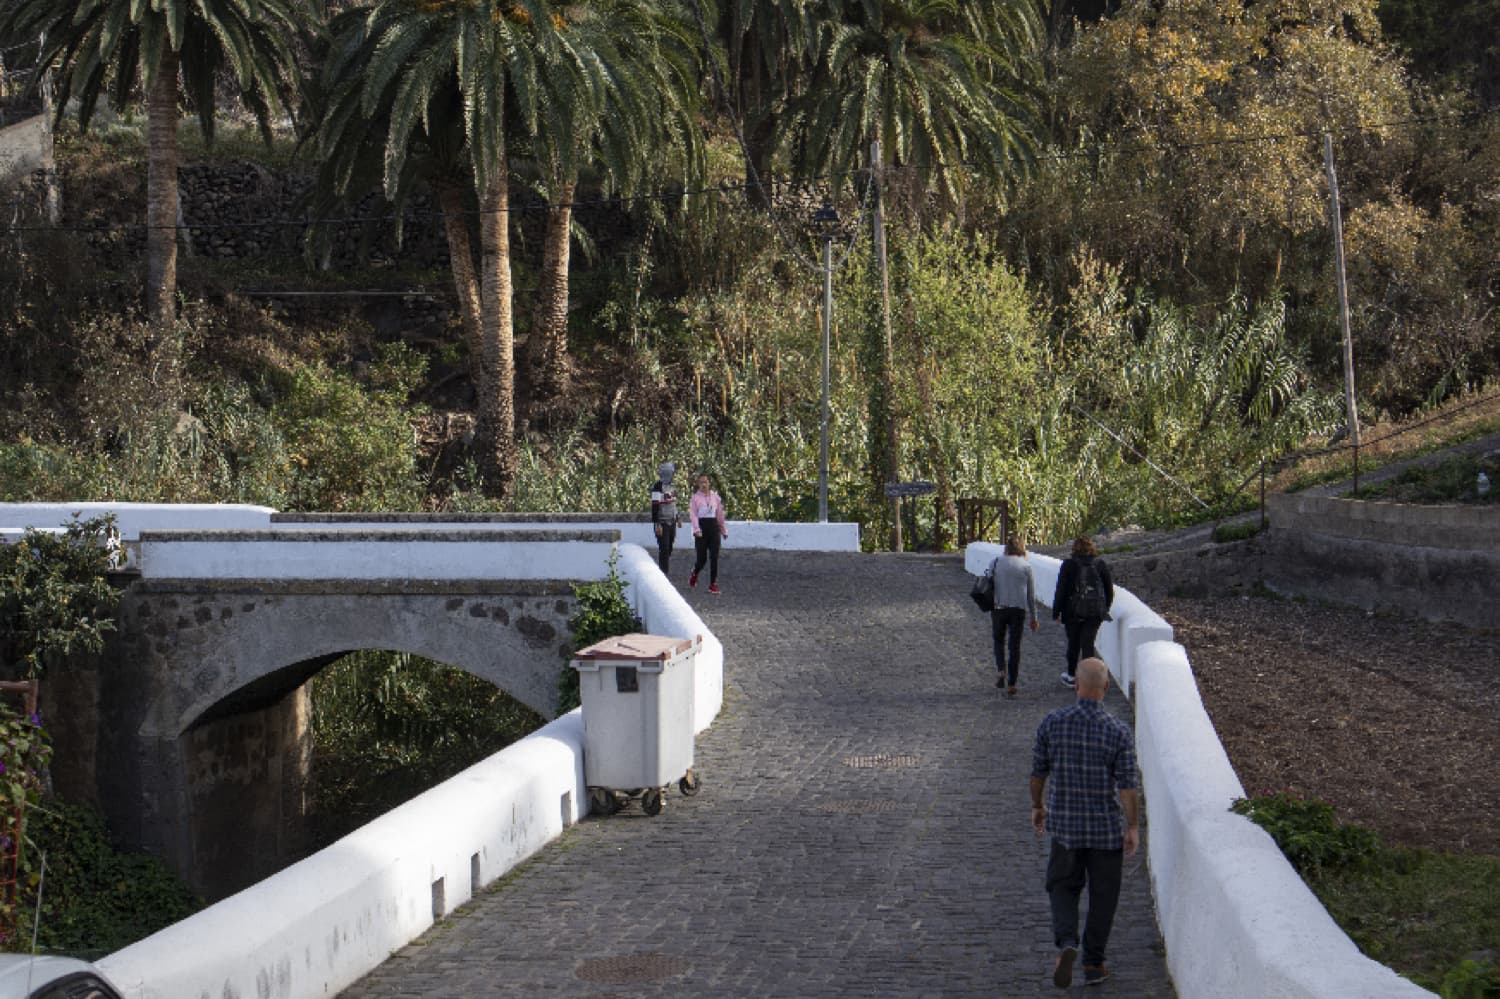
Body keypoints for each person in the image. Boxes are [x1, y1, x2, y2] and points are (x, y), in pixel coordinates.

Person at [1030, 657, 1139, 988]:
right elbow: (1127, 787)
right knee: (1104, 897)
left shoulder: (1052, 723)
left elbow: (1038, 772)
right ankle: (1093, 963)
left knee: (1061, 886)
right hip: (1105, 831)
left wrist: (1038, 806)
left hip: (1065, 828)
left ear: (1076, 685)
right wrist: (1132, 826)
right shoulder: (1118, 731)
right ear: (1106, 687)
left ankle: (1067, 942)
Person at [1051, 535, 1114, 688]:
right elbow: (1109, 590)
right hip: (1094, 613)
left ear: (1074, 548)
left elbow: (1061, 590)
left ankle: (1071, 676)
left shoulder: (1068, 565)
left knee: (1073, 644)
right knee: (1088, 645)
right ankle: (1089, 680)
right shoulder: (1099, 564)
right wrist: (1104, 608)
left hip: (1072, 612)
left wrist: (1056, 612)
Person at [989, 535, 1039, 696]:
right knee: (1014, 646)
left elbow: (989, 584)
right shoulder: (1026, 566)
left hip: (998, 607)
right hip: (1018, 609)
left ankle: (1001, 670)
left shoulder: (995, 562)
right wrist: (1034, 618)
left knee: (998, 640)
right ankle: (1012, 683)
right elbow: (1031, 595)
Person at [688, 472, 728, 595]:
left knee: (714, 556)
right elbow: (693, 515)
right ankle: (695, 572)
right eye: (701, 482)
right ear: (698, 484)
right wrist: (697, 529)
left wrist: (723, 530)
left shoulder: (715, 497)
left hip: (713, 528)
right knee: (702, 559)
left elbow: (720, 515)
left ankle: (713, 584)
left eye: (705, 482)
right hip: (701, 528)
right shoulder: (695, 498)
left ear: (709, 483)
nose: (703, 485)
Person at [649, 462, 680, 574]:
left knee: (670, 546)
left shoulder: (672, 486)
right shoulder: (657, 487)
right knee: (664, 548)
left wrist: (678, 517)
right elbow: (655, 506)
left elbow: (673, 503)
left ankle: (663, 567)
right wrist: (657, 524)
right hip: (662, 523)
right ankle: (663, 572)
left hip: (672, 521)